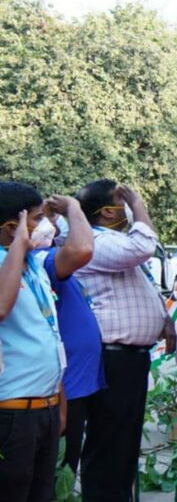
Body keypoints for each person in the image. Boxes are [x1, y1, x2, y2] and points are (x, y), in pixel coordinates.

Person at [75, 179, 173, 501]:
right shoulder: (96, 242)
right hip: (113, 356)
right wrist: (140, 207)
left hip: (129, 357)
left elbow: (143, 280)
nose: (131, 209)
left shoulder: (112, 242)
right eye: (124, 202)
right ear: (106, 212)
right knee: (110, 444)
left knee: (123, 444)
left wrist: (163, 319)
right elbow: (142, 247)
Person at [0, 183, 66, 502]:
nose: (47, 226)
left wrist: (59, 401)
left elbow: (50, 336)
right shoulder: (5, 264)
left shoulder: (34, 266)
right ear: (13, 229)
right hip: (12, 413)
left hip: (46, 408)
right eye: (38, 219)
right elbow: (1, 307)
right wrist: (18, 247)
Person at [33, 194, 102, 476]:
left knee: (67, 465)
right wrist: (74, 207)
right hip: (65, 385)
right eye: (38, 218)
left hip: (75, 382)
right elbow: (83, 248)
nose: (47, 223)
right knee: (59, 470)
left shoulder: (45, 257)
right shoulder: (42, 258)